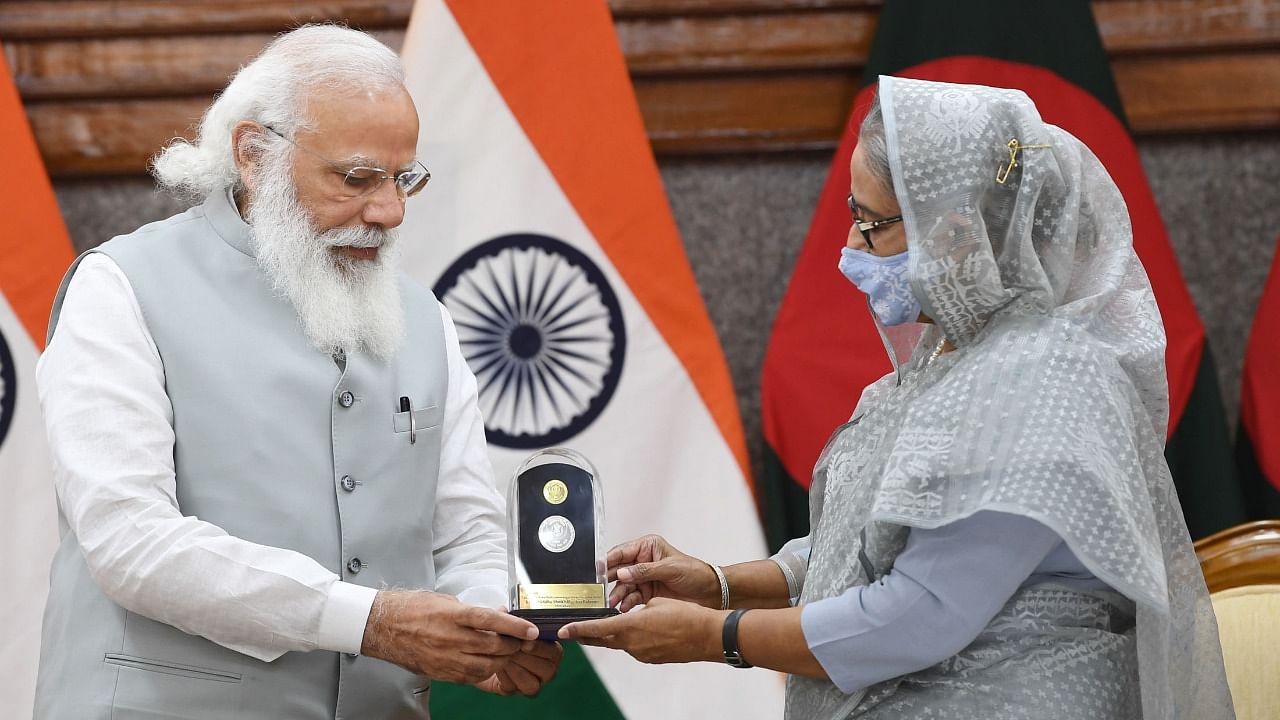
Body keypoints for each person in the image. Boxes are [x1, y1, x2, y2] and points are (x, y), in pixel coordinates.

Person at [561, 76, 1235, 719]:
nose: (850, 244)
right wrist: (718, 582)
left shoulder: (1040, 380)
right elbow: (860, 546)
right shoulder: (955, 356)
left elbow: (916, 614)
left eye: (871, 222)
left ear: (959, 233)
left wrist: (715, 636)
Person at [33, 25, 561, 719]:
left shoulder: (422, 315)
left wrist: (488, 626)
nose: (389, 211)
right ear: (254, 155)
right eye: (356, 178)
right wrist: (368, 622)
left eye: (404, 178)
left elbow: (465, 532)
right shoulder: (121, 287)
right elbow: (132, 541)